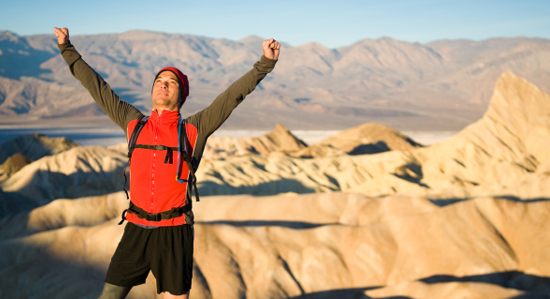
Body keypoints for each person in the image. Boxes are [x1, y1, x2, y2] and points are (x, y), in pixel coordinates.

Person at [54, 27, 279, 299]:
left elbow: (232, 96)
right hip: (135, 229)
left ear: (181, 94)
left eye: (171, 82)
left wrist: (264, 64)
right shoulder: (133, 123)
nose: (163, 84)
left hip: (174, 233)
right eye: (159, 80)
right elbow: (96, 86)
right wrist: (67, 48)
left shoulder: (195, 129)